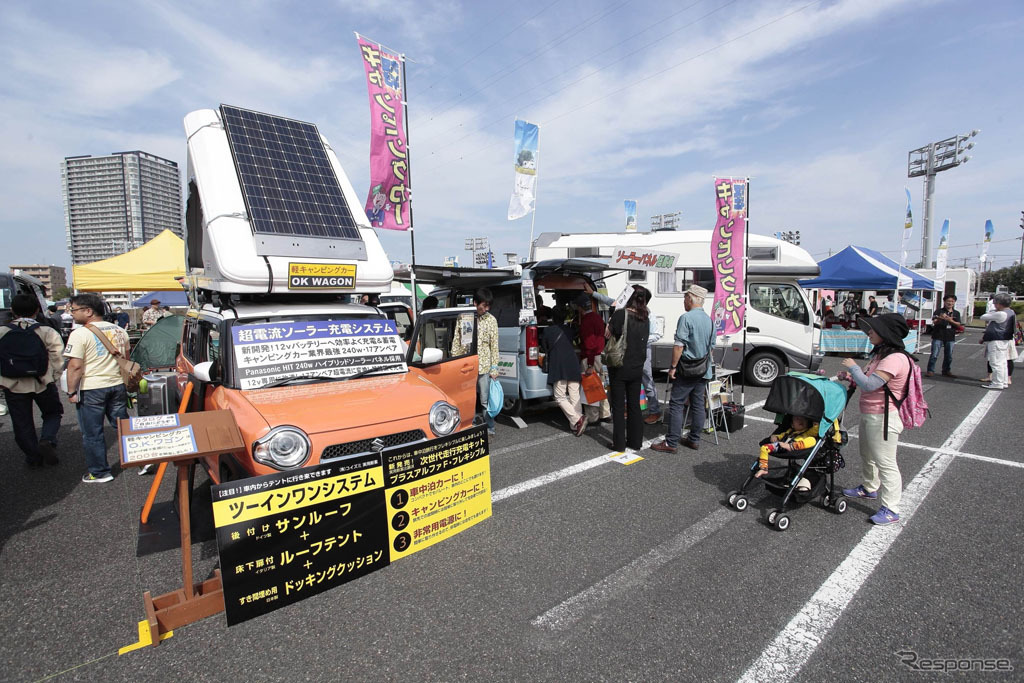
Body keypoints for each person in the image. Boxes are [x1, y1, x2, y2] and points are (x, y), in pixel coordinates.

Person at [838, 313, 913, 525]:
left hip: (884, 417)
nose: (869, 333)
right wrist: (851, 377)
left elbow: (870, 385)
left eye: (873, 330)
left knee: (886, 463)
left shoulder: (895, 359)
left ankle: (891, 508)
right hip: (871, 414)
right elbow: (867, 380)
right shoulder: (881, 355)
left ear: (886, 333)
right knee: (867, 454)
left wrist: (853, 367)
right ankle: (869, 487)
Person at [64, 293, 131, 483]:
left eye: (74, 309)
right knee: (123, 426)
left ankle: (100, 472)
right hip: (117, 384)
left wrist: (71, 391)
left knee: (92, 432)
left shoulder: (79, 334)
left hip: (92, 387)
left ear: (88, 311)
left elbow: (75, 366)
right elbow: (125, 359)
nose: (71, 314)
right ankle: (141, 460)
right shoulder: (120, 331)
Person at [0, 294, 64, 468]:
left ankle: (33, 457)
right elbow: (58, 357)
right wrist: (52, 377)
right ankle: (47, 439)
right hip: (43, 381)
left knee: (22, 423)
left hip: (12, 384)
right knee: (52, 413)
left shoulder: (3, 331)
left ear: (12, 310)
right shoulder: (46, 331)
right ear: (37, 310)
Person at [651, 284, 716, 453]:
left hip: (687, 369)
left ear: (691, 298)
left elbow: (679, 346)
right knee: (698, 405)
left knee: (676, 404)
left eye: (685, 297)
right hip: (704, 369)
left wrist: (673, 367)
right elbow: (712, 346)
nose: (684, 301)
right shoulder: (709, 320)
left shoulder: (686, 318)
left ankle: (671, 442)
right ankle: (694, 439)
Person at [605, 288, 649, 453]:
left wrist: (612, 316)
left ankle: (619, 444)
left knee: (617, 406)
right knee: (634, 405)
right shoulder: (645, 317)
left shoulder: (620, 314)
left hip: (619, 365)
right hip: (637, 366)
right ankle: (635, 441)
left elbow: (607, 334)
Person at [452, 288, 499, 434]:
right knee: (467, 399)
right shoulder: (463, 317)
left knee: (485, 400)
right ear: (475, 303)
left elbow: (494, 345)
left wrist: (494, 368)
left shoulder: (491, 320)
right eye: (483, 305)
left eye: (488, 306)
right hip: (466, 367)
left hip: (484, 366)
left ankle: (490, 427)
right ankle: (468, 427)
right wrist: (455, 362)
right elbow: (457, 342)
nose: (486, 309)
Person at [541, 305, 585, 436]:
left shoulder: (548, 331)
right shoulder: (570, 330)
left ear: (552, 318)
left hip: (559, 365)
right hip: (572, 363)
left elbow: (544, 348)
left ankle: (577, 419)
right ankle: (575, 426)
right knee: (574, 395)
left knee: (559, 396)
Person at [577, 289, 611, 425]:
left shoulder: (586, 321)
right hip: (601, 356)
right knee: (601, 385)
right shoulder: (598, 318)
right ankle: (605, 413)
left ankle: (592, 417)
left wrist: (590, 364)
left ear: (580, 308)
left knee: (590, 387)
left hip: (591, 358)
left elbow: (589, 344)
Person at [755, 414, 818, 482]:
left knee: (812, 440)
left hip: (796, 446)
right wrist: (775, 437)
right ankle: (763, 468)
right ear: (792, 425)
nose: (801, 420)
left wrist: (816, 424)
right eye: (797, 419)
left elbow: (815, 431)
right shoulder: (789, 431)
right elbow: (781, 435)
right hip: (781, 445)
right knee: (764, 448)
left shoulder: (807, 432)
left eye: (804, 419)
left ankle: (791, 446)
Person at [979, 293, 1016, 390]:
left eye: (995, 303)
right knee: (1002, 362)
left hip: (996, 340)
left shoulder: (1001, 313)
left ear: (999, 303)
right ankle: (1003, 381)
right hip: (1004, 340)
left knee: (995, 362)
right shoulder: (1011, 312)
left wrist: (993, 312)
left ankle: (997, 383)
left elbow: (983, 317)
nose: (994, 305)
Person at [926, 295, 961, 378]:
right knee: (934, 354)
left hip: (950, 336)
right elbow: (934, 321)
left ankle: (946, 370)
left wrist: (950, 320)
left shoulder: (956, 313)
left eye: (952, 301)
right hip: (938, 335)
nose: (950, 303)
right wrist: (940, 318)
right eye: (948, 301)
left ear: (954, 302)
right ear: (944, 302)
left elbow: (958, 324)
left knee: (949, 355)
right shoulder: (939, 311)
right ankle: (930, 370)